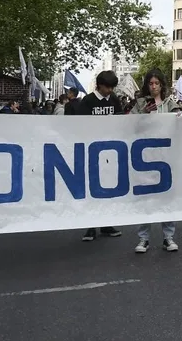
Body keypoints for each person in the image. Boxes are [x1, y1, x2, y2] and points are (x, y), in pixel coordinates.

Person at [130, 70, 179, 254]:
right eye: (150, 83)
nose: (153, 87)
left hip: (165, 156)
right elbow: (130, 125)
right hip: (146, 156)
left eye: (156, 83)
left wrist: (179, 117)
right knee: (146, 198)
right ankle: (144, 238)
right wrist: (142, 113)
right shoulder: (140, 104)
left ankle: (168, 237)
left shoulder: (170, 104)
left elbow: (179, 124)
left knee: (166, 196)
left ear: (161, 85)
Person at [78, 71, 124, 242]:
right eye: (107, 87)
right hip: (92, 150)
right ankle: (90, 226)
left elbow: (120, 121)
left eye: (112, 87)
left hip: (110, 151)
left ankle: (106, 223)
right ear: (99, 85)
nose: (109, 90)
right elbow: (79, 125)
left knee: (108, 188)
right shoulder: (88, 101)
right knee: (92, 189)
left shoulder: (114, 100)